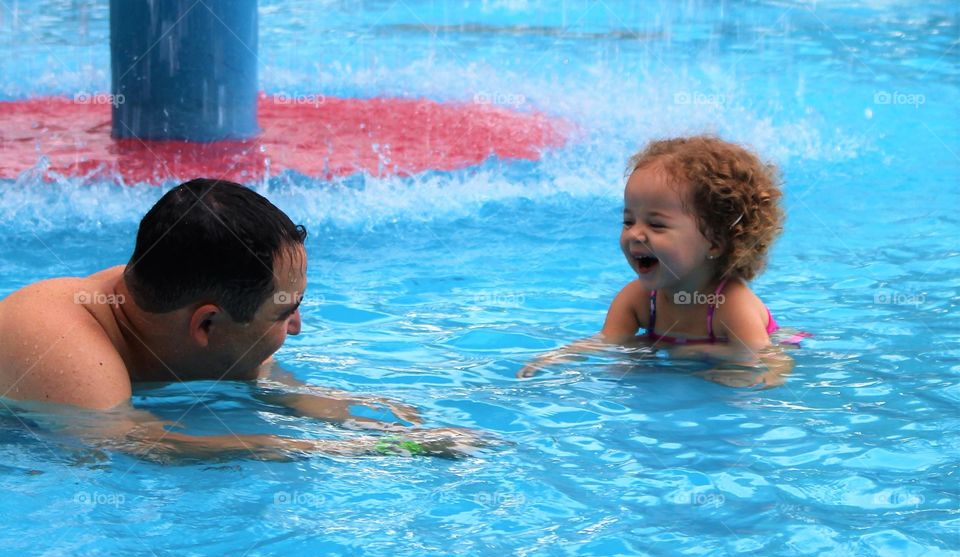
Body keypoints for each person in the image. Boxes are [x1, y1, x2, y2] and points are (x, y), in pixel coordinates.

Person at [0, 179, 482, 459]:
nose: (297, 328)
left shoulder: (153, 300)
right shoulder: (70, 356)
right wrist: (351, 452)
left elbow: (258, 374)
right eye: (285, 312)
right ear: (205, 325)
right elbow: (143, 447)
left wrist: (356, 415)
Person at [518, 135, 807, 386]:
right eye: (628, 221)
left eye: (656, 225)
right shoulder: (637, 299)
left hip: (778, 343)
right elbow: (609, 342)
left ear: (715, 242)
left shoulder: (731, 305)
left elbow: (767, 360)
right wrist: (560, 357)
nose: (636, 234)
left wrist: (697, 353)